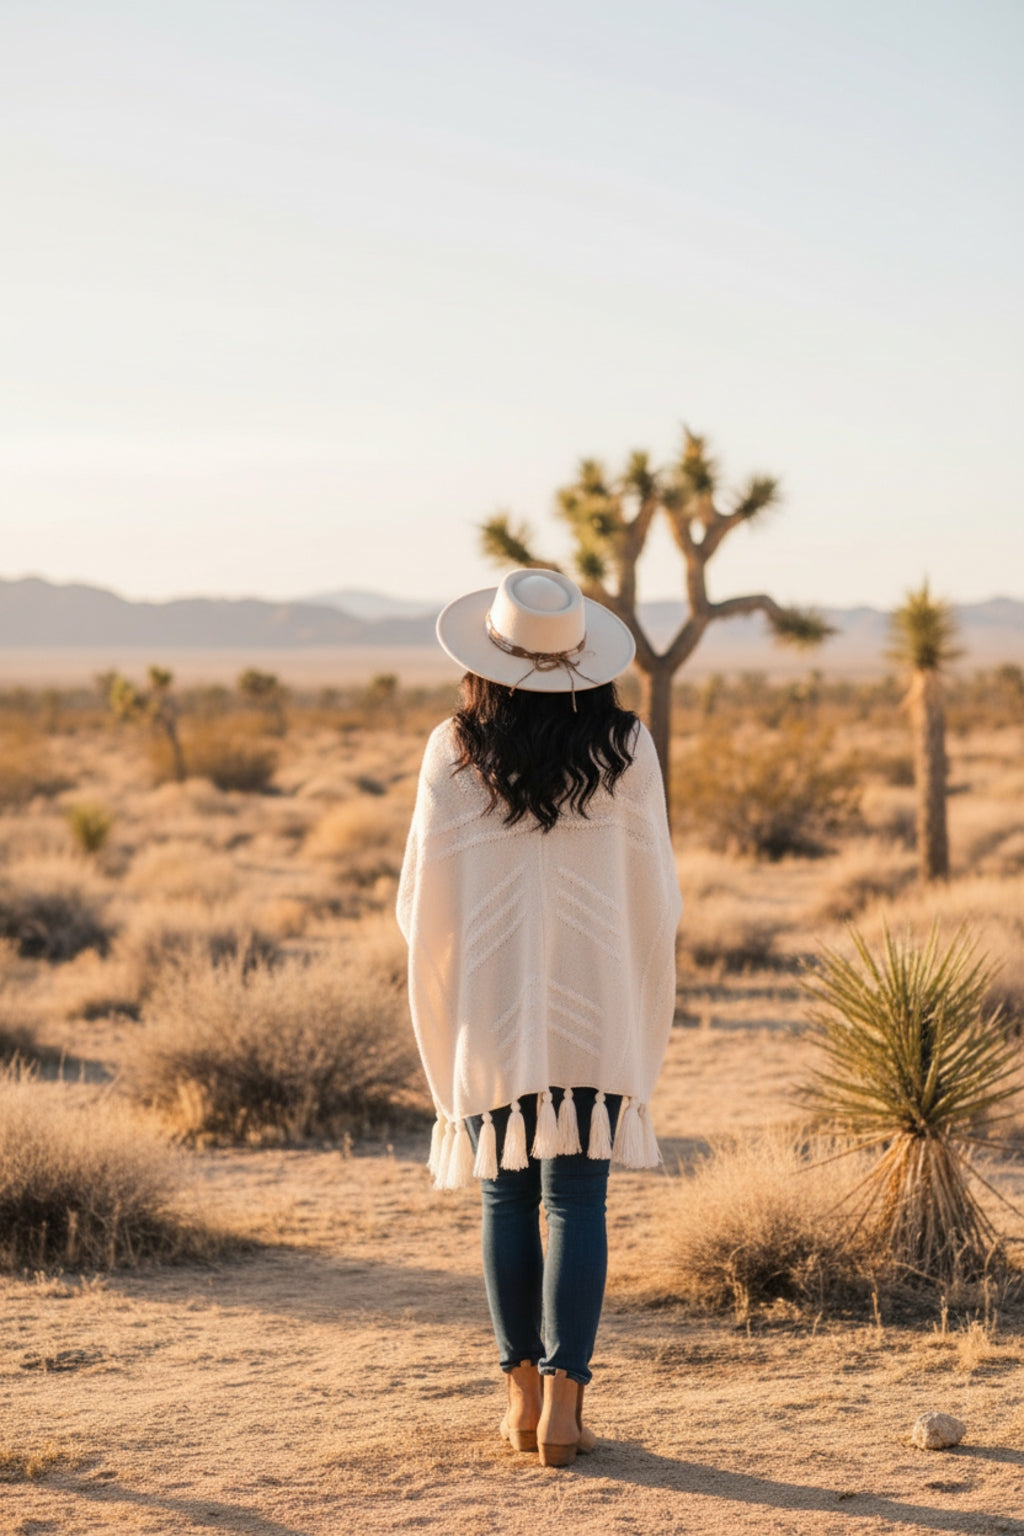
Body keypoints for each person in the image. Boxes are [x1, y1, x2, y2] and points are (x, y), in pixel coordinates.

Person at [397, 567, 682, 1467]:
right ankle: (566, 1408)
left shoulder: (453, 747)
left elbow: (420, 898)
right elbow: (657, 890)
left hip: (494, 1005)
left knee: (505, 1192)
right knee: (578, 1200)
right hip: (593, 1005)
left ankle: (519, 1403)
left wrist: (467, 966)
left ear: (485, 656)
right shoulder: (627, 745)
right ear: (583, 661)